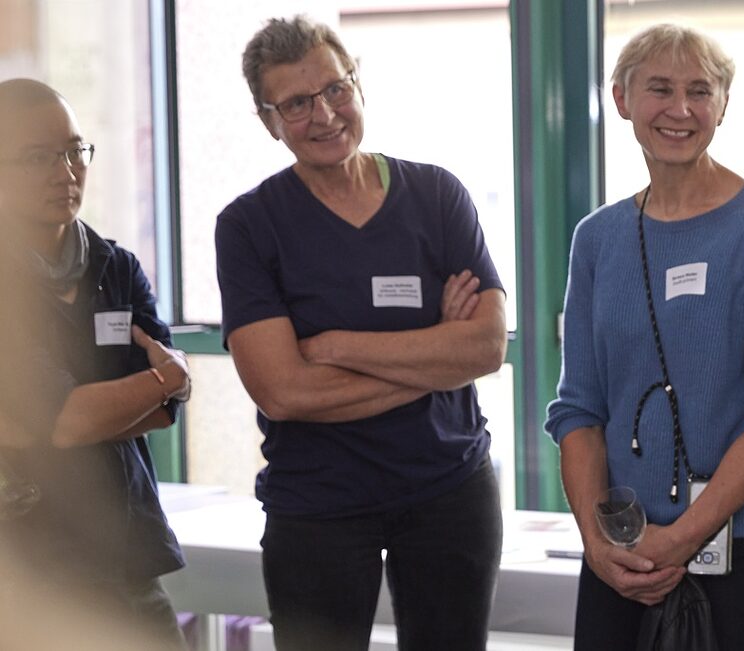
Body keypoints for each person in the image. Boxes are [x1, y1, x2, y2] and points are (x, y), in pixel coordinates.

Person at [215, 16, 506, 651]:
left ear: (358, 86)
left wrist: (337, 347)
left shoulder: (437, 195)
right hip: (318, 506)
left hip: (448, 491)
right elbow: (285, 393)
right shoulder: (248, 227)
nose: (324, 115)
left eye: (334, 90)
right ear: (269, 120)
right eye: (296, 103)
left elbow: (485, 347)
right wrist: (434, 353)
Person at [544, 24, 744, 651]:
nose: (681, 109)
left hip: (735, 550)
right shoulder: (596, 239)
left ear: (723, 105)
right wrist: (596, 541)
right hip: (619, 550)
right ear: (621, 99)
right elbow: (579, 410)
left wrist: (685, 533)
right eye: (660, 88)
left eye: (701, 91)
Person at [0, 78, 190, 651]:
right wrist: (165, 377)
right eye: (39, 157)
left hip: (128, 549)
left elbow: (162, 413)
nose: (66, 171)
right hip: (35, 566)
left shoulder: (115, 266)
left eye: (75, 150)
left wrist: (159, 391)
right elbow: (69, 419)